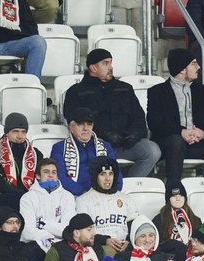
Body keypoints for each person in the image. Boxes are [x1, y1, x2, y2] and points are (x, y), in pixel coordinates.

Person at [62, 48, 160, 179]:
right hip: (95, 145)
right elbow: (74, 123)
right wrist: (104, 135)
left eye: (111, 63)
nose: (111, 67)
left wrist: (134, 134)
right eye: (105, 63)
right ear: (93, 67)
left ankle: (128, 187)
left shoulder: (125, 88)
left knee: (152, 151)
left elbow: (138, 116)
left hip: (125, 144)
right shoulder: (76, 92)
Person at [146, 50, 204, 186]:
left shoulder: (203, 91)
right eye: (194, 64)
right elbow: (155, 123)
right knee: (176, 141)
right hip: (169, 144)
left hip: (197, 143)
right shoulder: (157, 91)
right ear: (182, 70)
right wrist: (182, 132)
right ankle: (173, 189)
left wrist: (202, 132)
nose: (198, 67)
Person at [19, 158, 74, 261]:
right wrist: (50, 237)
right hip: (37, 244)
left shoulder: (67, 196)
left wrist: (43, 224)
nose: (50, 175)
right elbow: (27, 231)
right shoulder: (28, 198)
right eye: (46, 172)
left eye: (54, 172)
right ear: (38, 176)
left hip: (63, 243)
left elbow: (69, 229)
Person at [51, 108, 121, 198]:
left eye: (89, 124)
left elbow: (116, 172)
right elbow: (60, 177)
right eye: (80, 124)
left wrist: (112, 192)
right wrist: (85, 194)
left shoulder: (105, 146)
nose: (86, 128)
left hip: (104, 195)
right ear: (71, 128)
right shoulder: (59, 148)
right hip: (74, 196)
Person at [76, 157, 133, 255]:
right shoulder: (83, 200)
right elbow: (83, 232)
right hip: (99, 247)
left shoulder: (126, 198)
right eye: (103, 174)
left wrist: (129, 242)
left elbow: (133, 225)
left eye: (111, 174)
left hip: (126, 247)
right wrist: (105, 240)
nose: (107, 178)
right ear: (95, 176)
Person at [0, 112, 44, 211]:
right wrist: (24, 195)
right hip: (7, 198)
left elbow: (41, 178)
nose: (20, 136)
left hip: (32, 196)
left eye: (23, 132)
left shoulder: (37, 154)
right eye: (15, 131)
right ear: (7, 132)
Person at [153, 183, 201, 251]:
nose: (178, 199)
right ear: (168, 199)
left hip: (192, 257)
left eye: (181, 195)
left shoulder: (196, 220)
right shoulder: (159, 219)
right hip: (168, 257)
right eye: (174, 196)